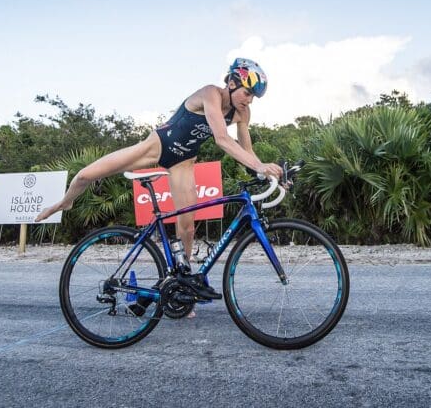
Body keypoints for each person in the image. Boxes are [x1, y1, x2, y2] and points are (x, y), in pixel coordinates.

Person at [35, 58, 282, 314]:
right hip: (156, 148)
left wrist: (266, 170)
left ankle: (182, 287)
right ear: (231, 83)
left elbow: (247, 150)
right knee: (87, 175)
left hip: (183, 162)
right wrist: (261, 166)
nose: (249, 100)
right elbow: (221, 138)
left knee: (187, 226)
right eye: (247, 92)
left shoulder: (243, 113)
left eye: (253, 96)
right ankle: (66, 201)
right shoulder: (210, 93)